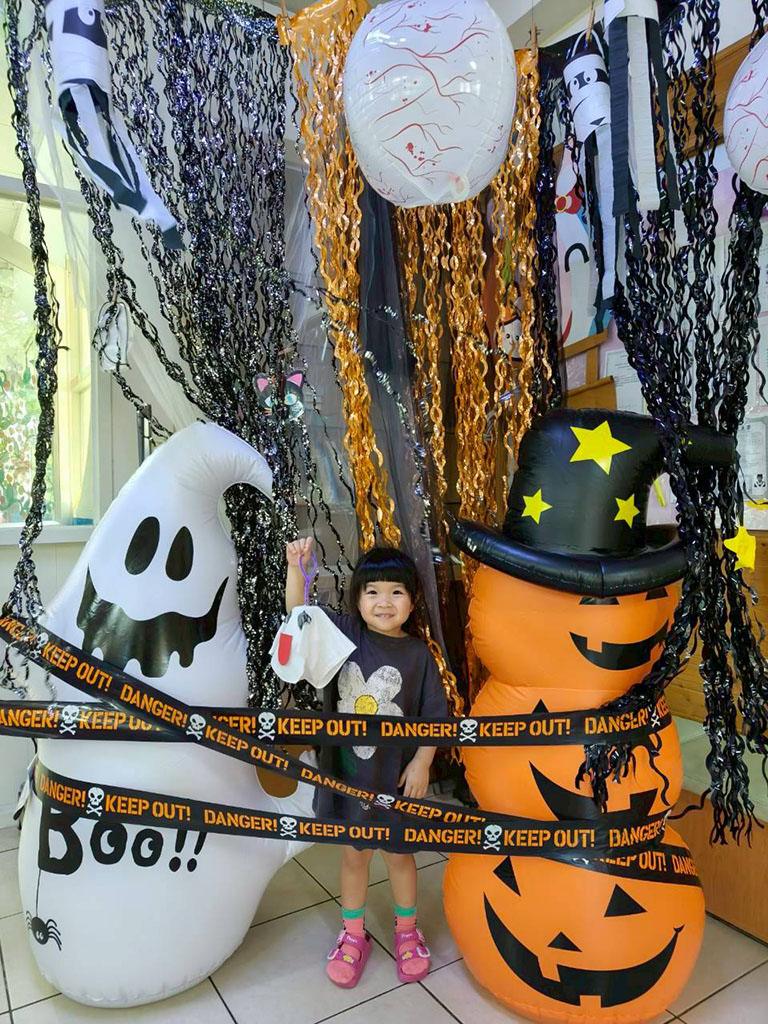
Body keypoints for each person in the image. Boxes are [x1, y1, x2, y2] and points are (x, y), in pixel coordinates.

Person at [285, 536, 448, 988]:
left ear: (413, 601)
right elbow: (298, 617)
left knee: (399, 857)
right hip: (348, 776)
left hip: (396, 780)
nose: (384, 602)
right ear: (357, 599)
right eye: (372, 591)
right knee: (354, 856)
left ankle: (407, 930)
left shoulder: (418, 655)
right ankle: (353, 935)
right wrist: (296, 569)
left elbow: (436, 716)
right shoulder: (343, 636)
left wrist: (423, 762)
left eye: (396, 591)